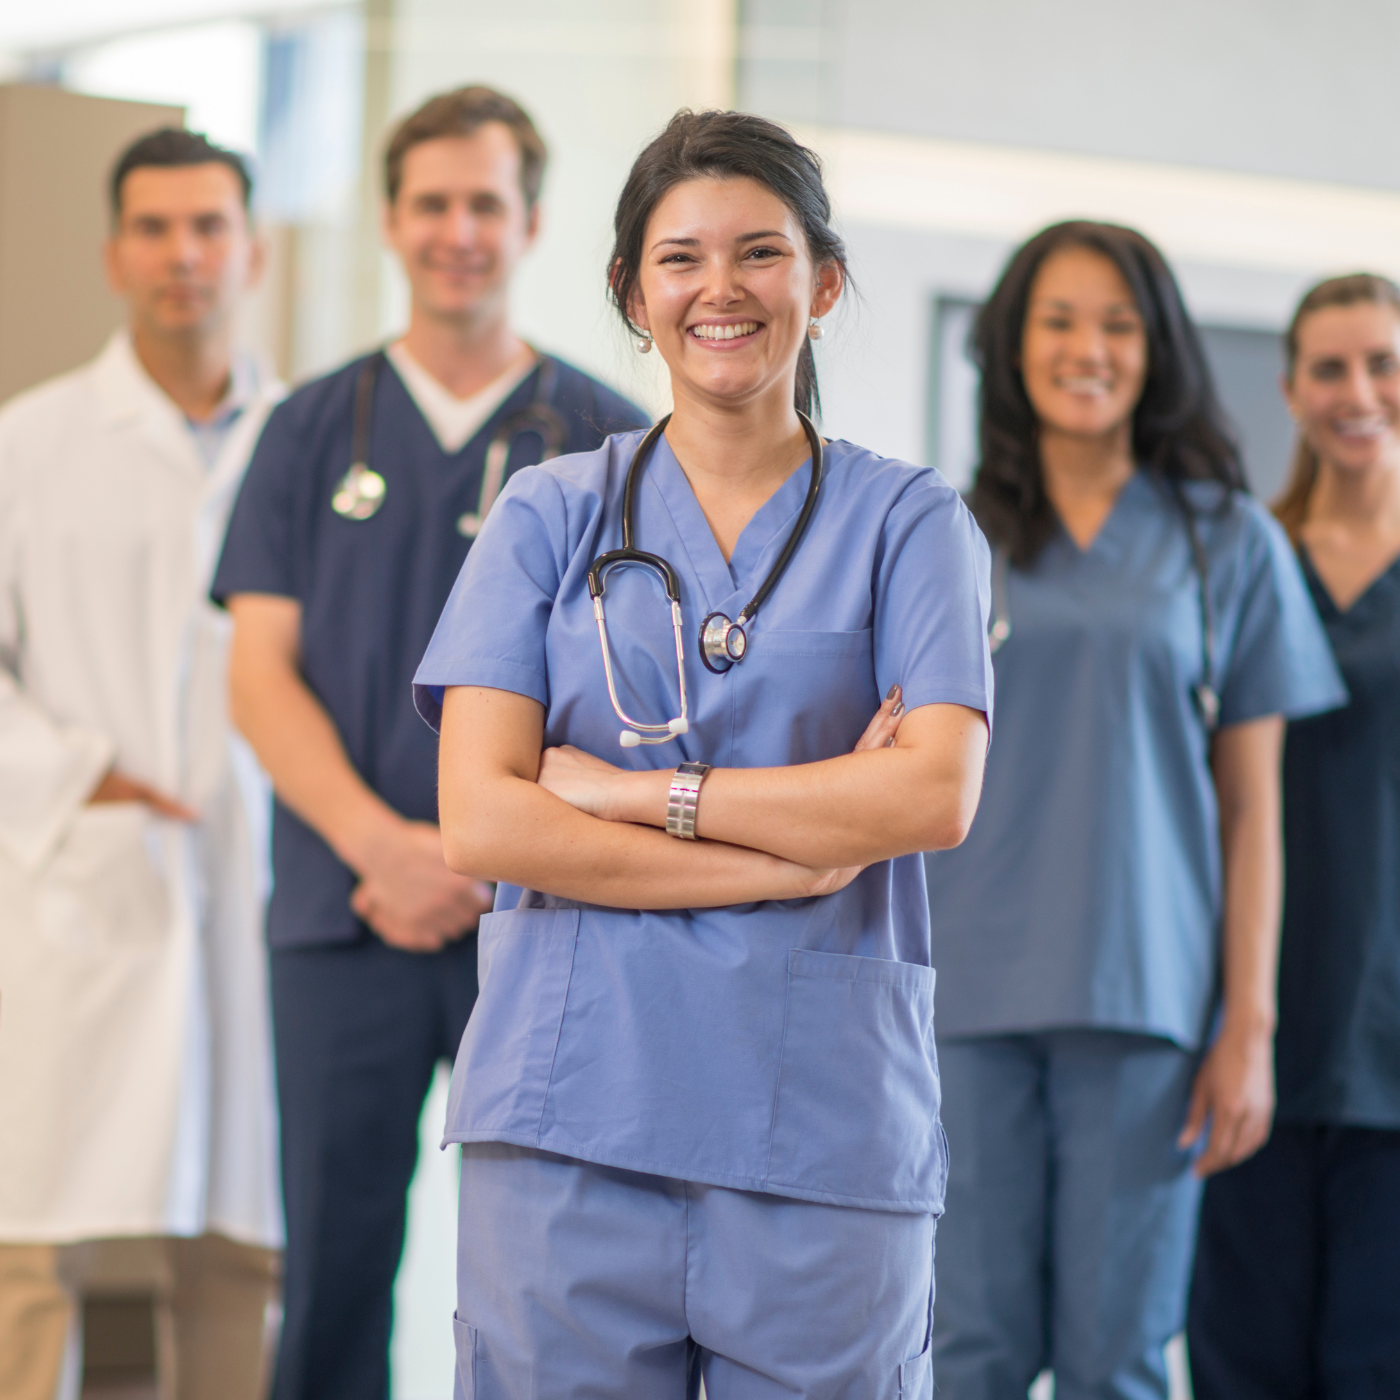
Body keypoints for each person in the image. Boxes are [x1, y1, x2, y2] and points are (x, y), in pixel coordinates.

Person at [413, 107, 993, 1400]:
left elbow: (932, 791)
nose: (719, 290)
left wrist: (633, 797)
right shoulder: (547, 515)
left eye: (761, 253)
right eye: (679, 259)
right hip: (572, 1121)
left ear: (824, 283)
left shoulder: (912, 523)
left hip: (821, 1134)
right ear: (631, 292)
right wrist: (784, 862)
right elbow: (485, 824)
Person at [212, 85, 647, 1400]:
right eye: (433, 204)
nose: (459, 230)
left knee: (559, 1266)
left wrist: (488, 846)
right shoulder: (308, 428)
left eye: (486, 204)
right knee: (336, 1269)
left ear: (533, 224)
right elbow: (258, 676)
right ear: (392, 223)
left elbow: (632, 701)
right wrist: (384, 846)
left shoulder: (609, 440)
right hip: (346, 915)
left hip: (538, 920)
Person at [923, 221, 1346, 1400]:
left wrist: (1246, 1028)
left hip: (1145, 1002)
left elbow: (1252, 811)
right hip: (962, 999)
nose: (1086, 349)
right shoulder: (941, 539)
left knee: (1116, 1360)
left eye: (1116, 323)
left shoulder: (1229, 545)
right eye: (1057, 320)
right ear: (1010, 345)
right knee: (971, 1353)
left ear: (1156, 349)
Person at [0, 129, 282, 1400]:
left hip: (267, 876)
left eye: (209, 227)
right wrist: (77, 777)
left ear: (252, 251)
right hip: (78, 879)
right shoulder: (30, 443)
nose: (184, 255)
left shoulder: (308, 443)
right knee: (32, 1233)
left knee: (242, 1242)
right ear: (116, 253)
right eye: (157, 229)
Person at [1188, 273, 1400, 1398]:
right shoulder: (1242, 559)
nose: (1357, 391)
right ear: (1288, 389)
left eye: (1382, 362)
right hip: (1247, 1038)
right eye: (1329, 367)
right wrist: (1234, 1022)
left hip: (1389, 1046)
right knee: (1240, 1366)